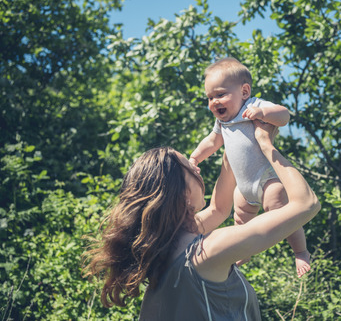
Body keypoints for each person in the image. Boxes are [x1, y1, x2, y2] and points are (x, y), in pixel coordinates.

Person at [83, 120, 320, 320]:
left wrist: (236, 140)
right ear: (181, 192)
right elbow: (306, 204)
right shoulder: (208, 251)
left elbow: (219, 209)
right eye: (189, 166)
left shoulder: (167, 248)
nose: (197, 169)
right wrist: (267, 145)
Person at [189, 57, 311, 277]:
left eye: (220, 94)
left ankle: (300, 251)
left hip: (266, 178)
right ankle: (243, 250)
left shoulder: (253, 105)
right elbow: (211, 142)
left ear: (244, 91)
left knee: (280, 208)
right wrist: (195, 158)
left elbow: (284, 115)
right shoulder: (222, 123)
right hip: (243, 186)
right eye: (210, 97)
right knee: (241, 219)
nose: (214, 102)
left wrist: (263, 114)